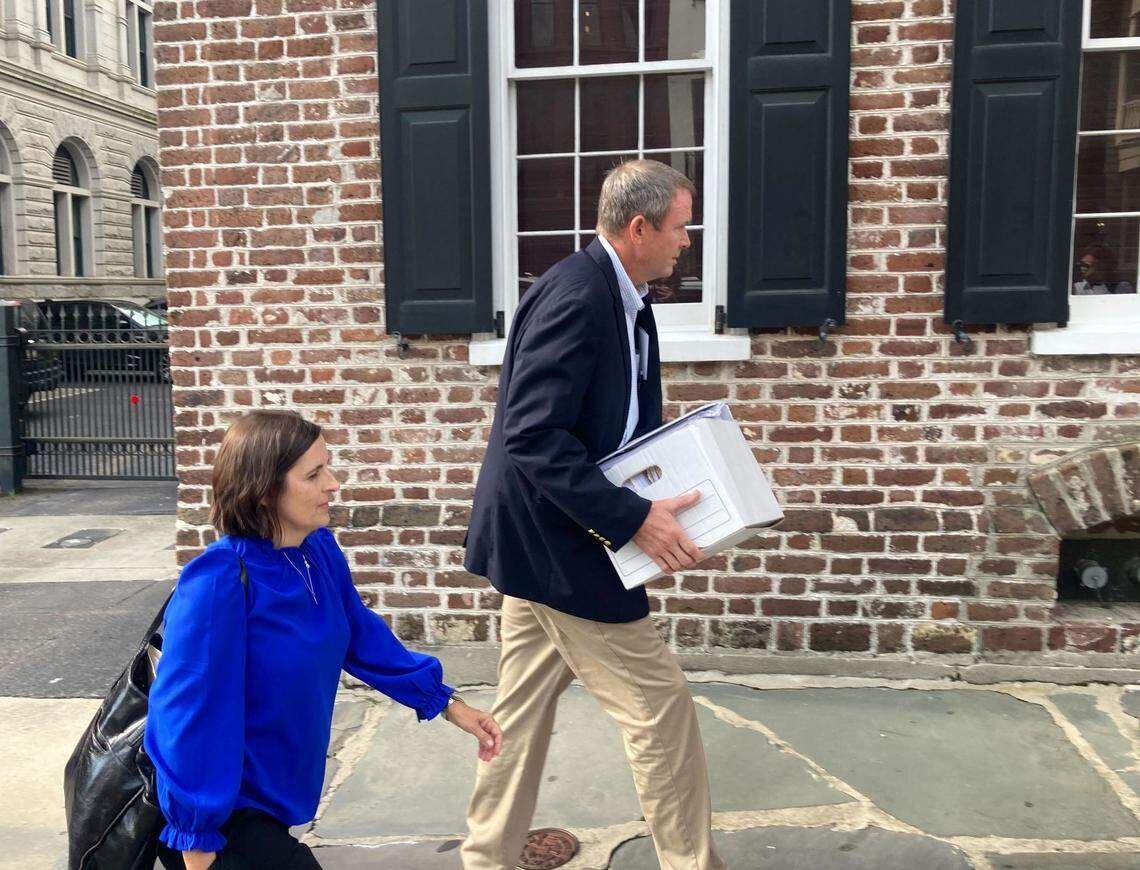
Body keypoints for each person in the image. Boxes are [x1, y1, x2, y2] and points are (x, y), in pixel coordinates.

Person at [461, 159, 725, 870]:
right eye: (681, 228)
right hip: (560, 544)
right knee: (659, 709)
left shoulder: (620, 292)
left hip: (544, 536)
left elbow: (606, 421)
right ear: (638, 228)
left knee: (519, 711)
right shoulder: (580, 296)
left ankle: (487, 857)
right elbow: (532, 435)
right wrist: (633, 518)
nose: (687, 242)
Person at [145, 410, 502, 870]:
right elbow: (186, 713)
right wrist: (196, 841)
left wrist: (446, 702)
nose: (332, 484)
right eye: (314, 475)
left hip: (276, 797)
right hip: (224, 817)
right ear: (264, 490)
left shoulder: (317, 551)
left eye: (327, 468)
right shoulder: (219, 581)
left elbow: (359, 634)